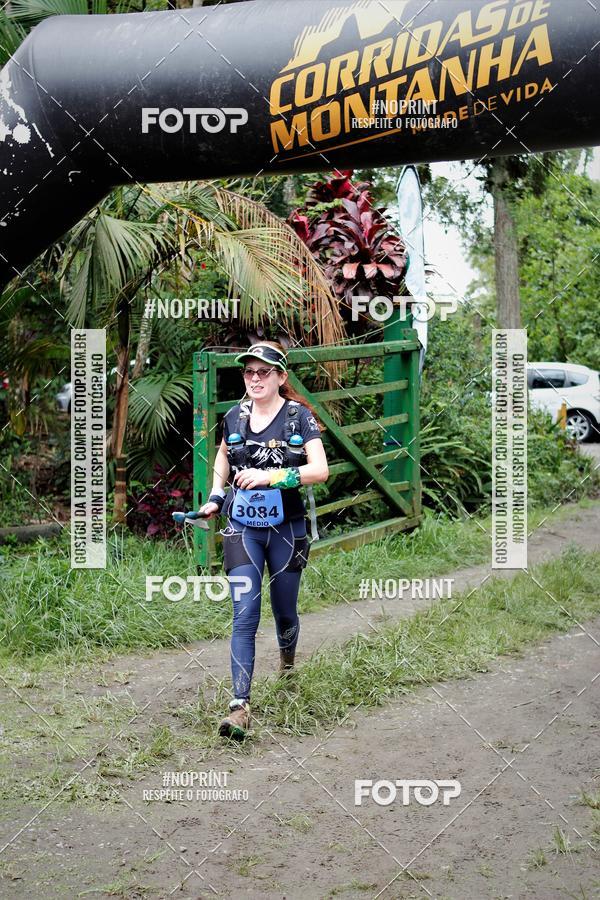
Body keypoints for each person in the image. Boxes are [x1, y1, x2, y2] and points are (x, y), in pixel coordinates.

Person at [199, 341, 329, 740]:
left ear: (280, 377)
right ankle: (240, 706)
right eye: (249, 372)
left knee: (285, 611)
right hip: (242, 528)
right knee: (245, 613)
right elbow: (223, 456)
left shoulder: (298, 418)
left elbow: (320, 470)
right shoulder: (234, 417)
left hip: (287, 528)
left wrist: (272, 477)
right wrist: (215, 497)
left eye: (264, 371)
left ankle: (288, 663)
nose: (255, 378)